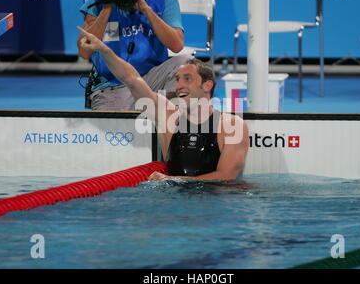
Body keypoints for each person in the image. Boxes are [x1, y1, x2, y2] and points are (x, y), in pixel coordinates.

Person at [78, 27, 249, 181]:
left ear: (207, 85)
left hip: (217, 207)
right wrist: (104, 49)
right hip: (175, 205)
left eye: (187, 79)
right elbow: (132, 79)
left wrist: (173, 180)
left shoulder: (232, 126)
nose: (179, 86)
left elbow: (227, 176)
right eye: (177, 80)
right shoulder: (167, 117)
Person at [78, 0, 191, 111]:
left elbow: (177, 45)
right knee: (114, 132)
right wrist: (107, 5)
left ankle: (171, 120)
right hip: (113, 87)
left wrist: (145, 8)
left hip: (152, 82)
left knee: (185, 62)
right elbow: (84, 51)